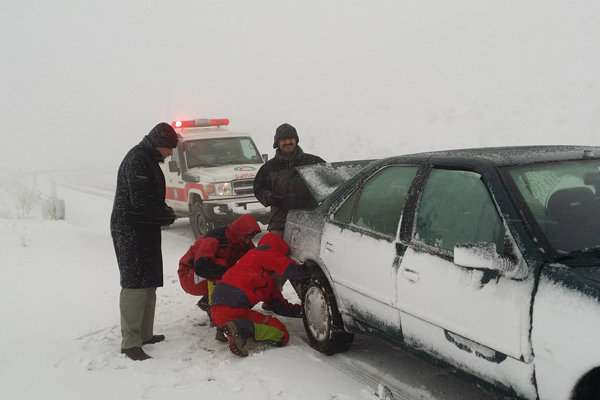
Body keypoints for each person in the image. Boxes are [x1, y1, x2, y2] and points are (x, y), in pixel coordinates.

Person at [110, 122, 179, 361]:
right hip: (131, 230)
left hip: (145, 229)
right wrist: (165, 214)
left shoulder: (148, 159)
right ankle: (130, 343)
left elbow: (150, 200)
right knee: (135, 284)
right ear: (159, 143)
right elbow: (140, 204)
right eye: (169, 148)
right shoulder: (138, 160)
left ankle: (145, 335)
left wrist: (163, 212)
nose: (170, 153)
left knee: (148, 281)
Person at [210, 233, 309, 357]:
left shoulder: (248, 261)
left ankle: (225, 328)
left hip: (216, 310)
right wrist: (311, 271)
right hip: (233, 309)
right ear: (279, 250)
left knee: (231, 314)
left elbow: (279, 306)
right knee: (282, 334)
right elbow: (292, 270)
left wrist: (305, 312)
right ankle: (238, 327)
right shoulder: (267, 253)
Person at [177, 214, 261, 340]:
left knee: (235, 273)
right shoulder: (213, 240)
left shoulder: (241, 240)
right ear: (239, 233)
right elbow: (202, 267)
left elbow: (255, 259)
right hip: (189, 275)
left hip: (203, 274)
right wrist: (232, 276)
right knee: (220, 267)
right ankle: (217, 315)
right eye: (247, 237)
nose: (248, 241)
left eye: (251, 238)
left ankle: (210, 301)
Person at [253, 123, 325, 236]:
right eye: (283, 139)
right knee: (277, 253)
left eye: (291, 138)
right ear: (277, 142)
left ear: (296, 140)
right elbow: (258, 188)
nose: (287, 142)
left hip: (309, 223)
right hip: (280, 225)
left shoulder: (314, 162)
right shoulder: (268, 168)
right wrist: (269, 197)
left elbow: (330, 186)